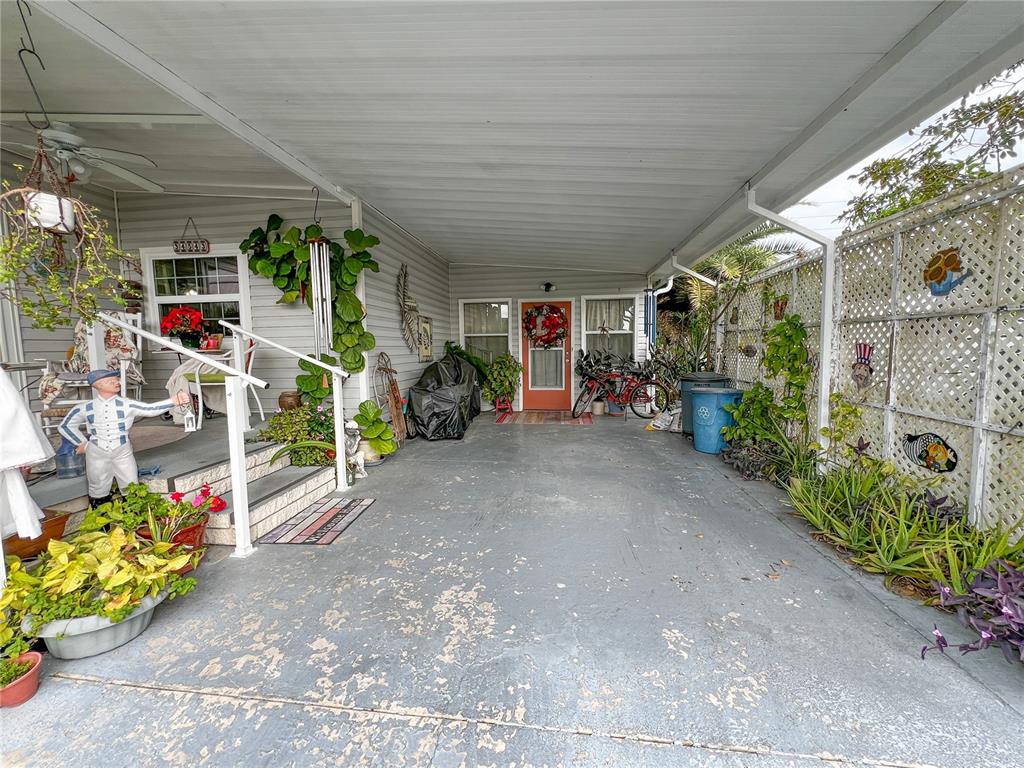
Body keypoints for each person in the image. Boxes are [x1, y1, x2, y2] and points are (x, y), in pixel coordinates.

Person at [58, 369, 190, 508]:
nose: (117, 383)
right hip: (97, 453)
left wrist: (173, 401)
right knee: (98, 487)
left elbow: (149, 409)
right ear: (99, 385)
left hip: (122, 451)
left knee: (130, 485)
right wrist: (83, 443)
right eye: (111, 381)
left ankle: (132, 519)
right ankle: (102, 523)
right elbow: (65, 426)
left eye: (117, 380)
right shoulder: (86, 407)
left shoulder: (126, 404)